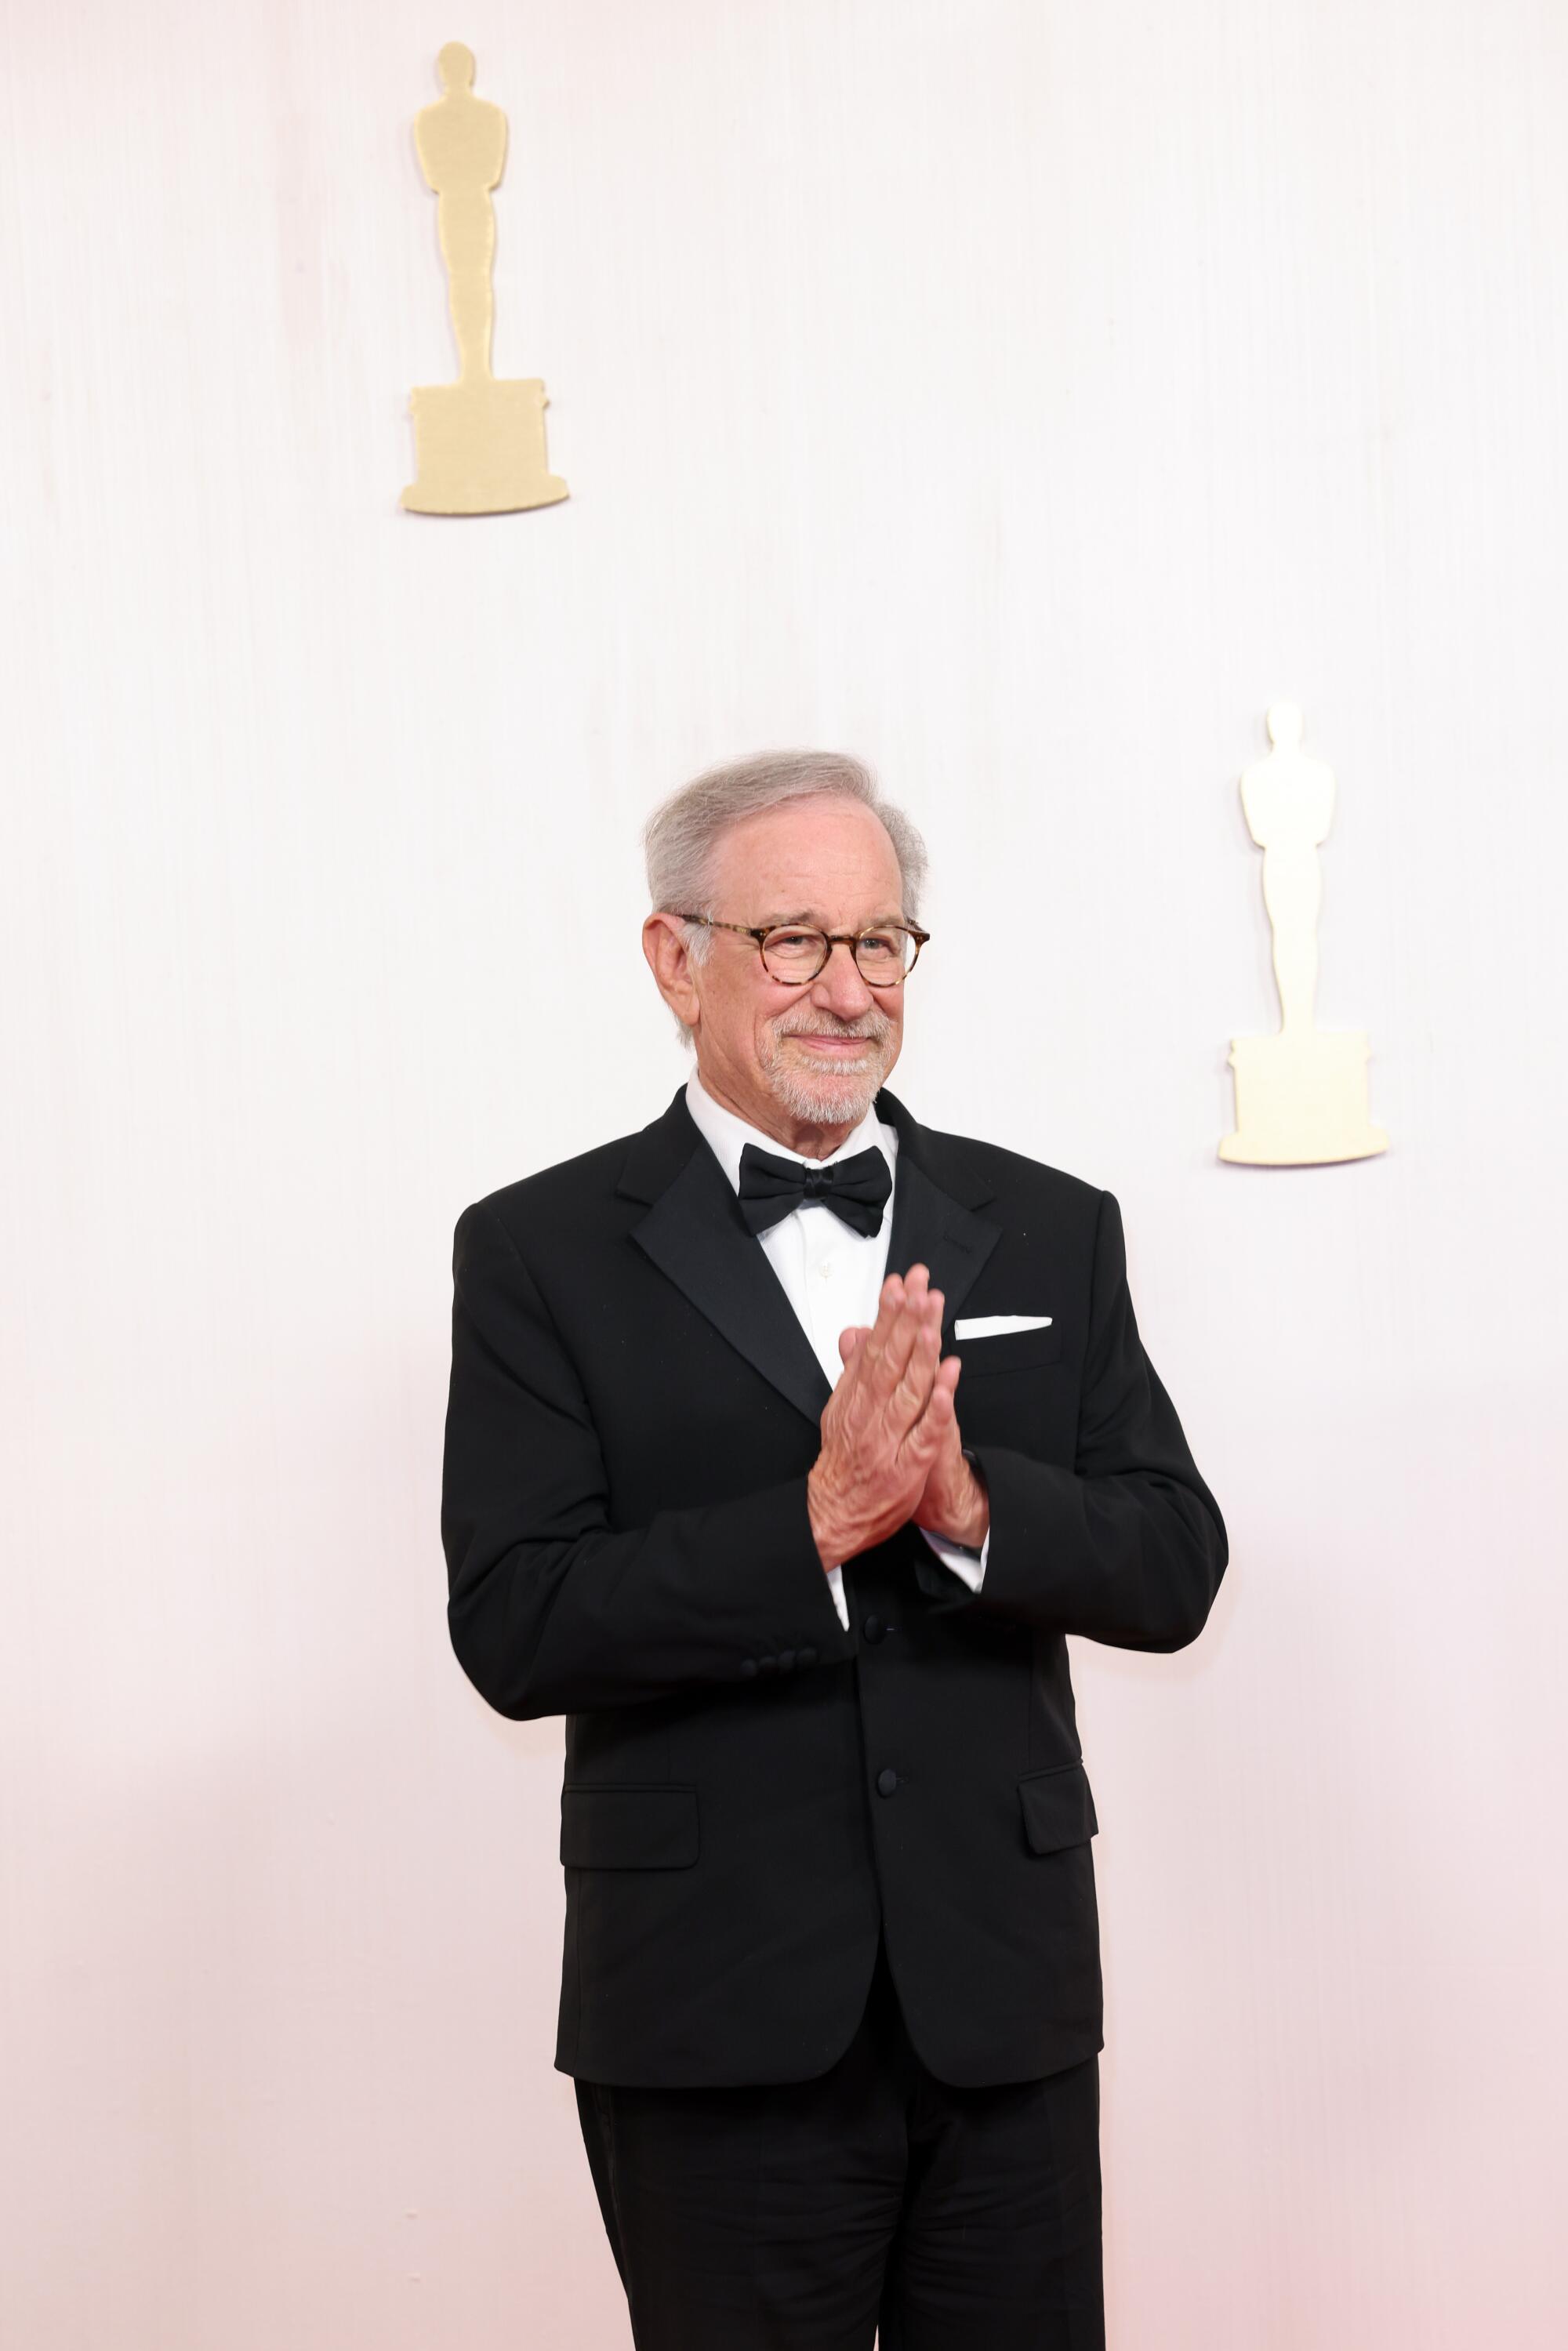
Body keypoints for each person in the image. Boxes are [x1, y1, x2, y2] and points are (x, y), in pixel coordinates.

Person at [440, 749, 1228, 2349]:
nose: (846, 988)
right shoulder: (536, 1251)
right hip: (711, 2015)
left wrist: (972, 1508)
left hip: (999, 2009)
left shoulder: (1051, 1223)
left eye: (880, 942)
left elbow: (1170, 1558)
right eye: (792, 938)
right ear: (676, 959)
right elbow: (516, 1623)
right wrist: (808, 1526)